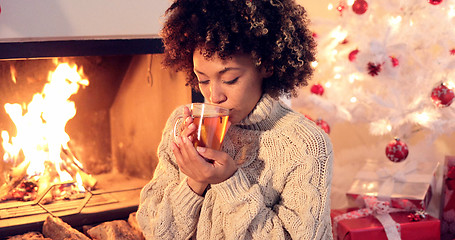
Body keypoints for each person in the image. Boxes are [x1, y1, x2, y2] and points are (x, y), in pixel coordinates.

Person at [136, 0, 334, 239]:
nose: (214, 96)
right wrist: (194, 182)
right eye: (203, 80)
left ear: (267, 66)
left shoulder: (305, 145)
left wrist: (230, 183)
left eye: (230, 79)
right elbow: (155, 231)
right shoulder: (182, 123)